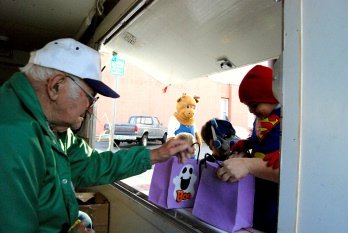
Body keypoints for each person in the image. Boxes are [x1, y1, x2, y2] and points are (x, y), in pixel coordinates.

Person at [0, 38, 195, 233]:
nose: (91, 111)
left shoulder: (53, 128)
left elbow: (92, 164)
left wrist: (157, 154)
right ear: (56, 86)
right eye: (90, 98)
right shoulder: (13, 136)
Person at [215, 65, 280, 233]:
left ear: (272, 96)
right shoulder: (260, 118)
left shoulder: (286, 118)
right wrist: (246, 145)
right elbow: (257, 139)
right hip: (258, 183)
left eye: (254, 104)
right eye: (248, 106)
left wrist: (281, 155)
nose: (251, 111)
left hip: (276, 189)